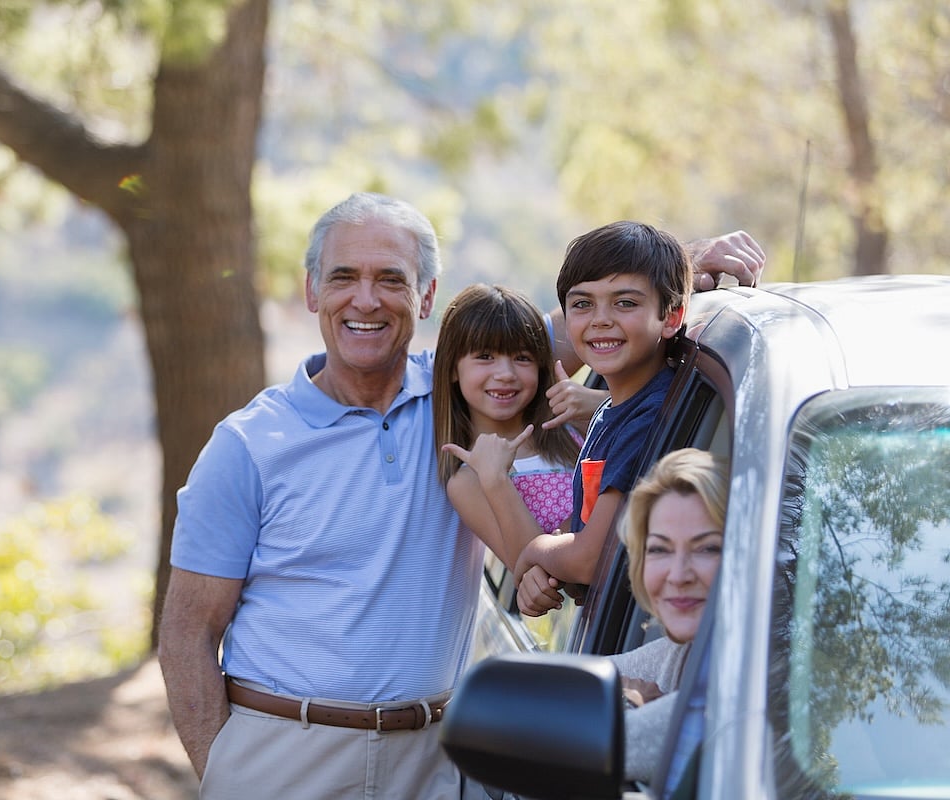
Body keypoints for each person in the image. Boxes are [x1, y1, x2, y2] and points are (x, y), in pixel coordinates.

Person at [158, 192, 764, 800]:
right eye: (344, 277)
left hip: (434, 759)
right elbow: (188, 629)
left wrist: (692, 257)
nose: (365, 299)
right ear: (313, 291)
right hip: (284, 754)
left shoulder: (465, 393)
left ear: (425, 296)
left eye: (391, 280)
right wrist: (227, 774)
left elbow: (603, 319)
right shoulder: (247, 445)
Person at [516, 220, 695, 614]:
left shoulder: (648, 419)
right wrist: (554, 558)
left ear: (671, 316)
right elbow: (586, 527)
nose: (600, 319)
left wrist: (534, 550)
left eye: (625, 303)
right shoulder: (613, 410)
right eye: (582, 304)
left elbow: (590, 559)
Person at [434, 283, 582, 573]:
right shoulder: (468, 481)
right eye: (485, 357)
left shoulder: (572, 427)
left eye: (522, 358)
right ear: (452, 368)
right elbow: (530, 571)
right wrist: (495, 480)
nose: (505, 374)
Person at [608, 447, 728, 784]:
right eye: (660, 549)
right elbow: (564, 684)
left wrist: (629, 706)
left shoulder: (740, 691)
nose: (678, 575)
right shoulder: (685, 653)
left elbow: (589, 747)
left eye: (707, 548)